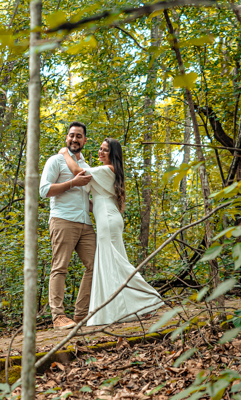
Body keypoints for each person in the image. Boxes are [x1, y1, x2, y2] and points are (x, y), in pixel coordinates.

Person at [59, 138, 164, 326]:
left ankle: (149, 298)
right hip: (107, 219)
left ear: (113, 154)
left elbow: (77, 172)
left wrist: (65, 153)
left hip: (108, 220)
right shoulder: (105, 173)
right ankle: (127, 308)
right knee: (111, 263)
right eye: (100, 148)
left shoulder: (107, 170)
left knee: (115, 262)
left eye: (105, 150)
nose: (101, 152)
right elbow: (94, 202)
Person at [39, 122, 96, 328]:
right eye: (71, 135)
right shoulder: (56, 161)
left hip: (85, 223)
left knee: (95, 265)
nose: (74, 139)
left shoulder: (86, 166)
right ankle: (58, 317)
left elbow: (85, 197)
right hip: (63, 220)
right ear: (66, 138)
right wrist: (72, 182)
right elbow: (44, 190)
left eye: (79, 136)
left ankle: (81, 315)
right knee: (60, 267)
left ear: (85, 140)